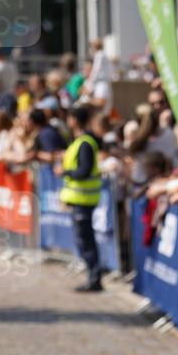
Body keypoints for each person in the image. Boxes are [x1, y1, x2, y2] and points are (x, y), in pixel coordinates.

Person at [55, 105, 104, 292]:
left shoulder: (85, 143)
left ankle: (94, 279)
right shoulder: (79, 142)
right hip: (79, 199)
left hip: (84, 199)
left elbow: (83, 171)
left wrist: (64, 171)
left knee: (86, 240)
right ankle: (92, 277)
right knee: (83, 240)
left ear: (74, 120)